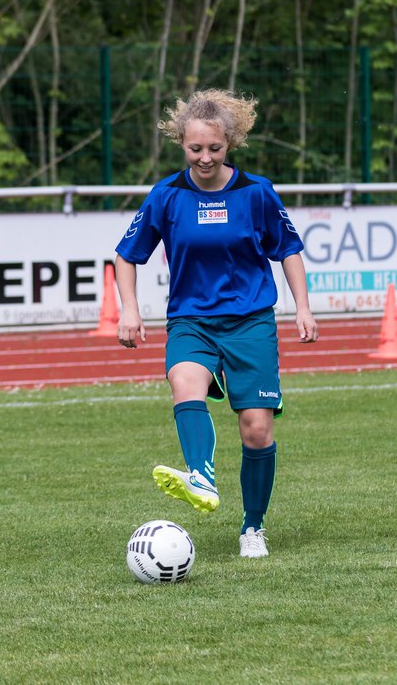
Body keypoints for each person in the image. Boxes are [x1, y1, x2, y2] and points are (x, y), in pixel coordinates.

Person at [113, 88, 318, 559]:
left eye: (214, 148)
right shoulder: (166, 196)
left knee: (256, 431)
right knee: (183, 381)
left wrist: (302, 307)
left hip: (250, 322)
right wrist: (129, 309)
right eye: (195, 149)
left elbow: (288, 249)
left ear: (231, 143)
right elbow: (126, 256)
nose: (204, 158)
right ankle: (200, 473)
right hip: (191, 320)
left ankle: (253, 527)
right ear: (181, 144)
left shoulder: (256, 192)